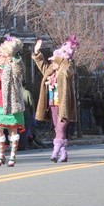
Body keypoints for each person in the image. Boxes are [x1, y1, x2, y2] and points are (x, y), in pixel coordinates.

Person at [32, 35, 79, 163]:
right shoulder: (51, 71)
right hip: (53, 103)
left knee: (60, 128)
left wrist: (61, 59)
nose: (52, 64)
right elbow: (42, 65)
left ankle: (55, 152)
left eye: (54, 62)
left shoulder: (68, 69)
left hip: (65, 105)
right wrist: (37, 52)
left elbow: (67, 68)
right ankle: (64, 154)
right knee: (57, 128)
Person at [0, 37, 26, 167]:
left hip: (12, 104)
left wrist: (16, 56)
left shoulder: (13, 65)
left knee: (13, 132)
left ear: (7, 55)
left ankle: (12, 156)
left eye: (1, 54)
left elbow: (20, 71)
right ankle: (1, 156)